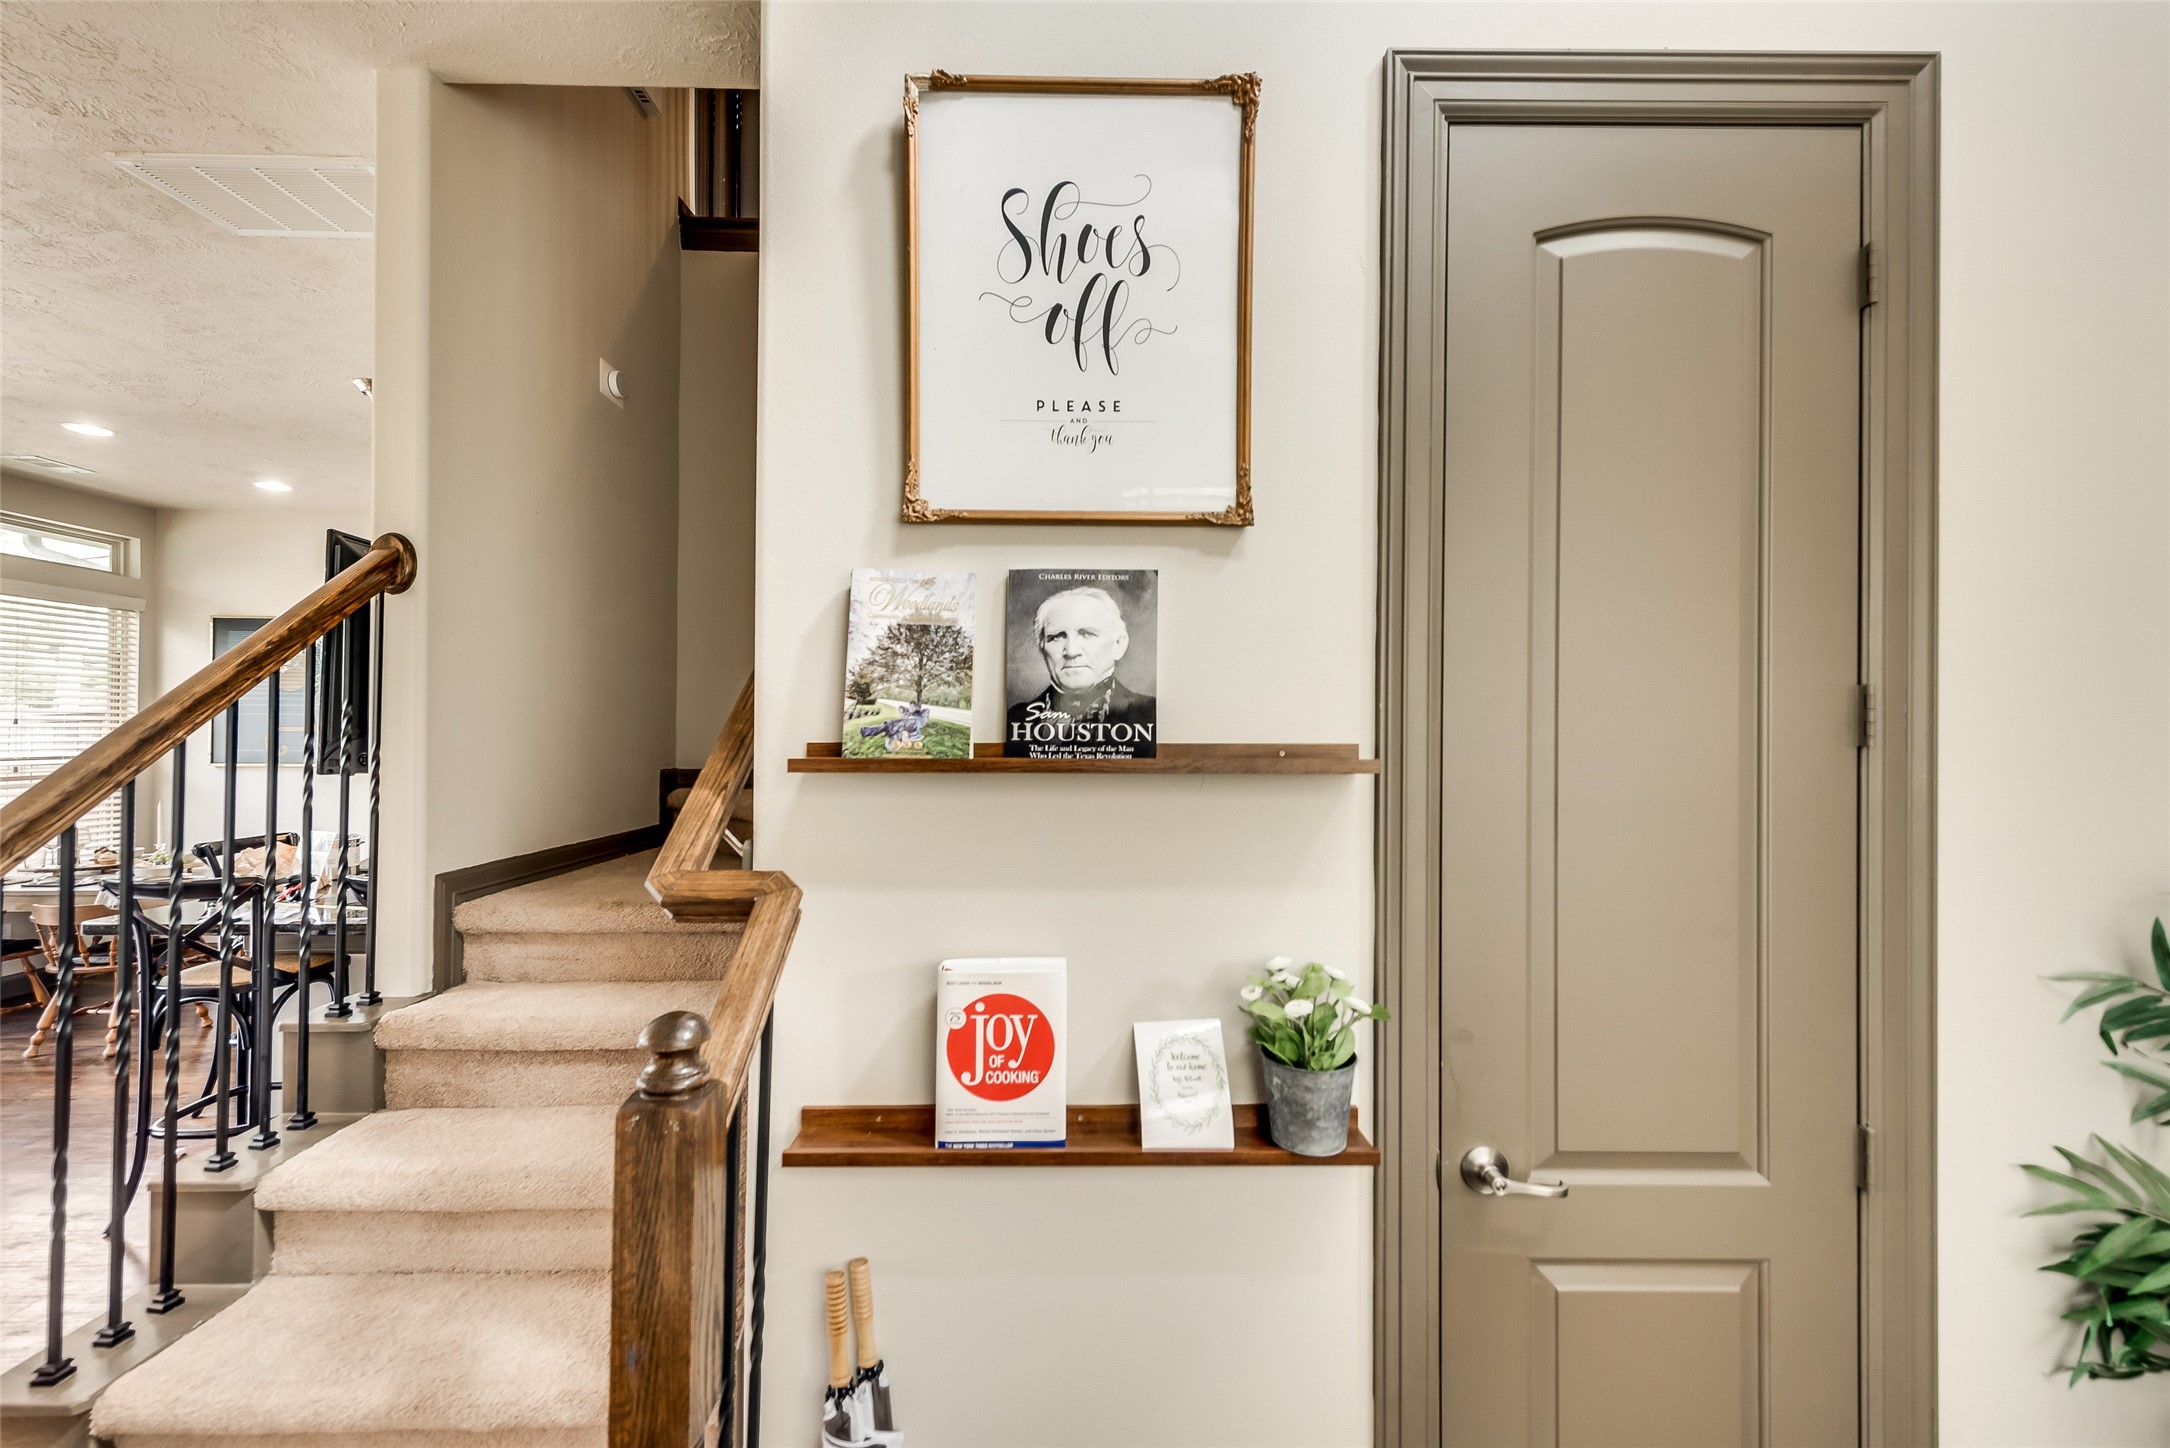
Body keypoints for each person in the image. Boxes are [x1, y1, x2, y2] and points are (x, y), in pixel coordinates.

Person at [1006, 586, 1156, 755]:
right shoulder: (1015, 719)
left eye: (1087, 634)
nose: (1071, 651)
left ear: (1118, 645)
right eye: (1057, 637)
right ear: (1042, 647)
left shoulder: (1152, 715)